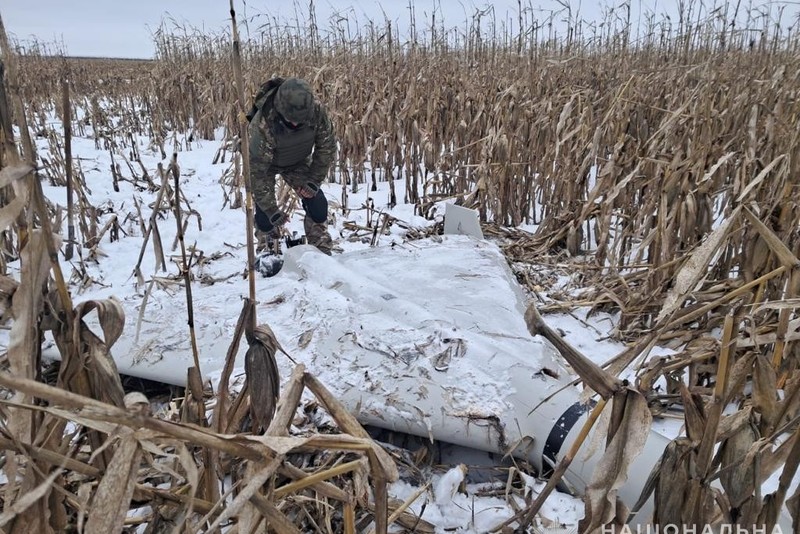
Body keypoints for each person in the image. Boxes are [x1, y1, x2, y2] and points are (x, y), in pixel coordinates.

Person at [247, 77, 336, 255]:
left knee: (317, 204)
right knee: (265, 217)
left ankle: (320, 247)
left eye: (300, 121)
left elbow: (326, 147)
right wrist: (272, 210)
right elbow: (258, 173)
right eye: (291, 120)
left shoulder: (316, 111)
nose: (295, 124)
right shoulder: (264, 124)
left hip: (298, 161)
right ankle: (267, 250)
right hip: (267, 165)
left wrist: (314, 181)